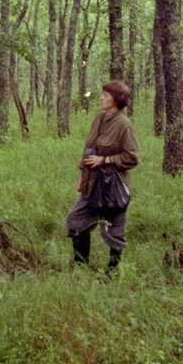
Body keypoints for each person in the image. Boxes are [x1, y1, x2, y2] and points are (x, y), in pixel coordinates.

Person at [65, 79, 139, 272]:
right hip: (91, 183)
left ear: (115, 100)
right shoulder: (98, 119)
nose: (101, 98)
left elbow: (132, 157)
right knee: (76, 219)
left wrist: (105, 160)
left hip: (112, 186)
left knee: (113, 228)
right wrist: (82, 175)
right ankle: (80, 264)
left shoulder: (124, 125)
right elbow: (89, 149)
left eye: (105, 96)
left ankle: (113, 271)